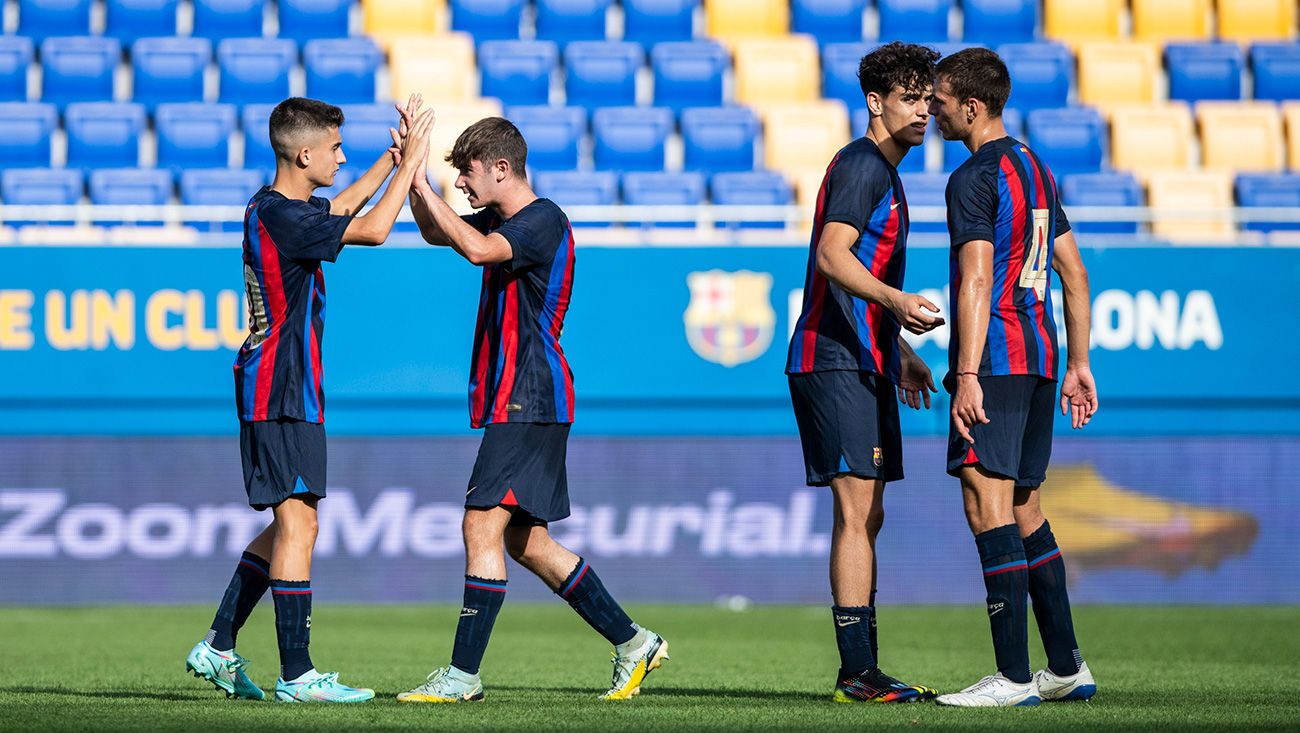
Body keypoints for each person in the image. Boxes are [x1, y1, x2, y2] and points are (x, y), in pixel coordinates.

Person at [396, 109, 668, 703]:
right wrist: (417, 181)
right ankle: (634, 643)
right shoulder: (502, 218)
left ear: (501, 167)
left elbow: (475, 250)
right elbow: (438, 232)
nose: (461, 183)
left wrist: (420, 180)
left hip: (529, 393)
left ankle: (462, 676)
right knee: (527, 543)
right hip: (526, 396)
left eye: (467, 172)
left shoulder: (542, 219)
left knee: (480, 523)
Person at [185, 95, 434, 703]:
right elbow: (372, 228)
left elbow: (342, 209)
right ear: (304, 154)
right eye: (336, 148)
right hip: (281, 388)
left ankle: (218, 644)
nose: (342, 159)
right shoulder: (284, 217)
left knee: (287, 524)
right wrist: (411, 167)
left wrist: (391, 158)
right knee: (300, 523)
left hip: (281, 385)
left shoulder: (275, 209)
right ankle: (296, 676)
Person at [927, 48, 1099, 707]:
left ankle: (1013, 677)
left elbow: (975, 279)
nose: (933, 110)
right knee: (1026, 506)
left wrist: (965, 373)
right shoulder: (1035, 167)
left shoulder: (972, 176)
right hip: (1042, 358)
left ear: (971, 106)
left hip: (996, 359)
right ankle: (1066, 666)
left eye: (941, 100)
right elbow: (1074, 272)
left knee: (986, 503)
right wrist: (1079, 363)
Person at [784, 42, 944, 704]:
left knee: (869, 513)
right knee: (856, 510)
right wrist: (896, 302)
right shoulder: (862, 165)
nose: (923, 111)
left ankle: (865, 667)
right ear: (875, 102)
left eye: (928, 99)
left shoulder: (886, 172)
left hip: (864, 355)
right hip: (833, 358)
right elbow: (831, 254)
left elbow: (852, 273)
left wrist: (897, 349)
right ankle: (856, 672)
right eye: (910, 98)